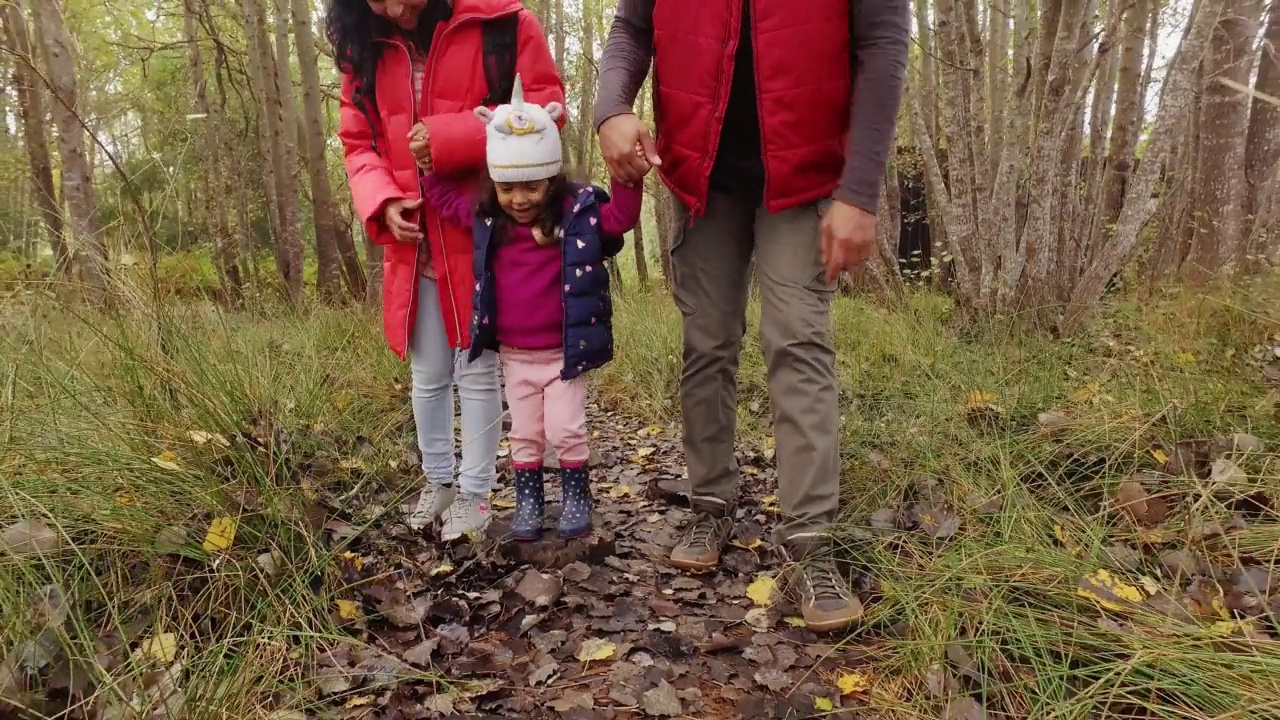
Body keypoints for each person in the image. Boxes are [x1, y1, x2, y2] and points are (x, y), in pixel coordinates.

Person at [594, 0, 909, 632]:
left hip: (807, 173)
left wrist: (860, 192)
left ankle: (811, 543)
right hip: (702, 173)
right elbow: (633, 26)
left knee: (797, 341)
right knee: (706, 342)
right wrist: (611, 107)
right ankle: (710, 501)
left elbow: (883, 44)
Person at [327, 0, 564, 540]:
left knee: (476, 371)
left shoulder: (503, 24)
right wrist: (383, 199)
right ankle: (438, 483)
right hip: (412, 242)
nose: (394, 8)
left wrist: (454, 137)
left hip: (479, 229)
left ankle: (476, 495)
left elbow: (548, 107)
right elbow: (358, 143)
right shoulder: (361, 42)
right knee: (428, 374)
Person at [420, 76, 642, 541]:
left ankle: (577, 498)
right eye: (507, 189)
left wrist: (628, 178)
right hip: (515, 357)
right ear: (495, 185)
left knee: (565, 430)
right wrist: (428, 167)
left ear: (552, 181)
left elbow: (619, 220)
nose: (519, 200)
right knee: (524, 435)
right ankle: (529, 504)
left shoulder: (576, 217)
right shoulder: (489, 222)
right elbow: (443, 202)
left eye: (532, 187)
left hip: (563, 354)